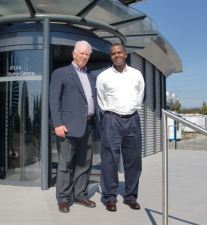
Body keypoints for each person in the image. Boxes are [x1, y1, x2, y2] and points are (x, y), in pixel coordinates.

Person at [96, 43, 145, 212]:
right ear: (111, 57)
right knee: (109, 160)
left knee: (133, 160)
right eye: (113, 53)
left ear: (125, 54)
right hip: (111, 120)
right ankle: (109, 197)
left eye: (119, 52)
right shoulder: (103, 76)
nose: (116, 55)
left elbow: (140, 96)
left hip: (132, 120)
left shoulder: (137, 74)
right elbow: (101, 100)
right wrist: (113, 114)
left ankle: (131, 196)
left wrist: (129, 111)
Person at [50, 40, 96, 213]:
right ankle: (63, 198)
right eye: (81, 53)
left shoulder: (91, 76)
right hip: (67, 128)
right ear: (74, 53)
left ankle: (80, 195)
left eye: (87, 54)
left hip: (89, 126)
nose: (84, 56)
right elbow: (54, 101)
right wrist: (58, 124)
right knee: (66, 163)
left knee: (84, 163)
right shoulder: (60, 73)